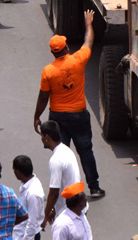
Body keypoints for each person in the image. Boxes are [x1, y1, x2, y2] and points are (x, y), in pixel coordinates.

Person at [33, 10, 102, 199]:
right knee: (85, 150)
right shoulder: (78, 60)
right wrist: (89, 23)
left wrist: (37, 116)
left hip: (57, 117)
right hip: (78, 115)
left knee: (61, 154)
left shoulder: (48, 71)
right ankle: (94, 187)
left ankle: (65, 189)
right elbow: (89, 41)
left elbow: (43, 97)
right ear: (66, 48)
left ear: (52, 52)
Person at [9, 155, 44, 240]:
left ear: (18, 172)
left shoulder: (32, 193)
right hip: (20, 235)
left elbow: (32, 223)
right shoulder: (27, 183)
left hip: (27, 238)